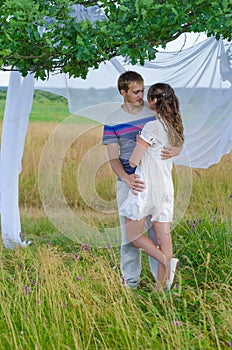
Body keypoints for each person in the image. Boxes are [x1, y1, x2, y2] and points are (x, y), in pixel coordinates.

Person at [102, 72, 181, 289]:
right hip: (129, 182)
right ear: (123, 92)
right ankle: (131, 283)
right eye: (136, 92)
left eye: (142, 91)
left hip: (153, 182)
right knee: (129, 239)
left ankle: (163, 282)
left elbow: (173, 136)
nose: (140, 95)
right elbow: (112, 157)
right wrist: (126, 178)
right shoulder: (112, 121)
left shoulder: (152, 115)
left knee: (157, 233)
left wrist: (177, 149)